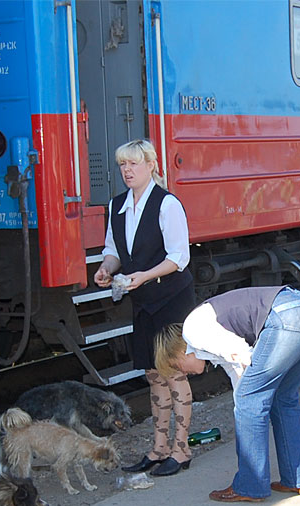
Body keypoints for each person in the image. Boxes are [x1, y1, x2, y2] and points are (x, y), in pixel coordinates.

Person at [153, 285, 300, 501]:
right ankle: (299, 480)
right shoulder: (210, 347)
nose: (183, 373)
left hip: (290, 316)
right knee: (283, 399)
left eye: (177, 366)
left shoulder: (192, 331)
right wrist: (246, 403)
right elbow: (238, 375)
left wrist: (248, 404)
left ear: (181, 351)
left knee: (251, 400)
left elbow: (240, 352)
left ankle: (250, 486)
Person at [94, 139, 196, 477]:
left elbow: (179, 258)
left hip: (170, 299)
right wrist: (107, 268)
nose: (127, 170)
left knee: (173, 373)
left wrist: (144, 275)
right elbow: (114, 248)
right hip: (143, 300)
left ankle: (181, 450)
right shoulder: (117, 205)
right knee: (153, 376)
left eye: (134, 164)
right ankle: (158, 448)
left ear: (151, 165)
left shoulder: (167, 204)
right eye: (123, 164)